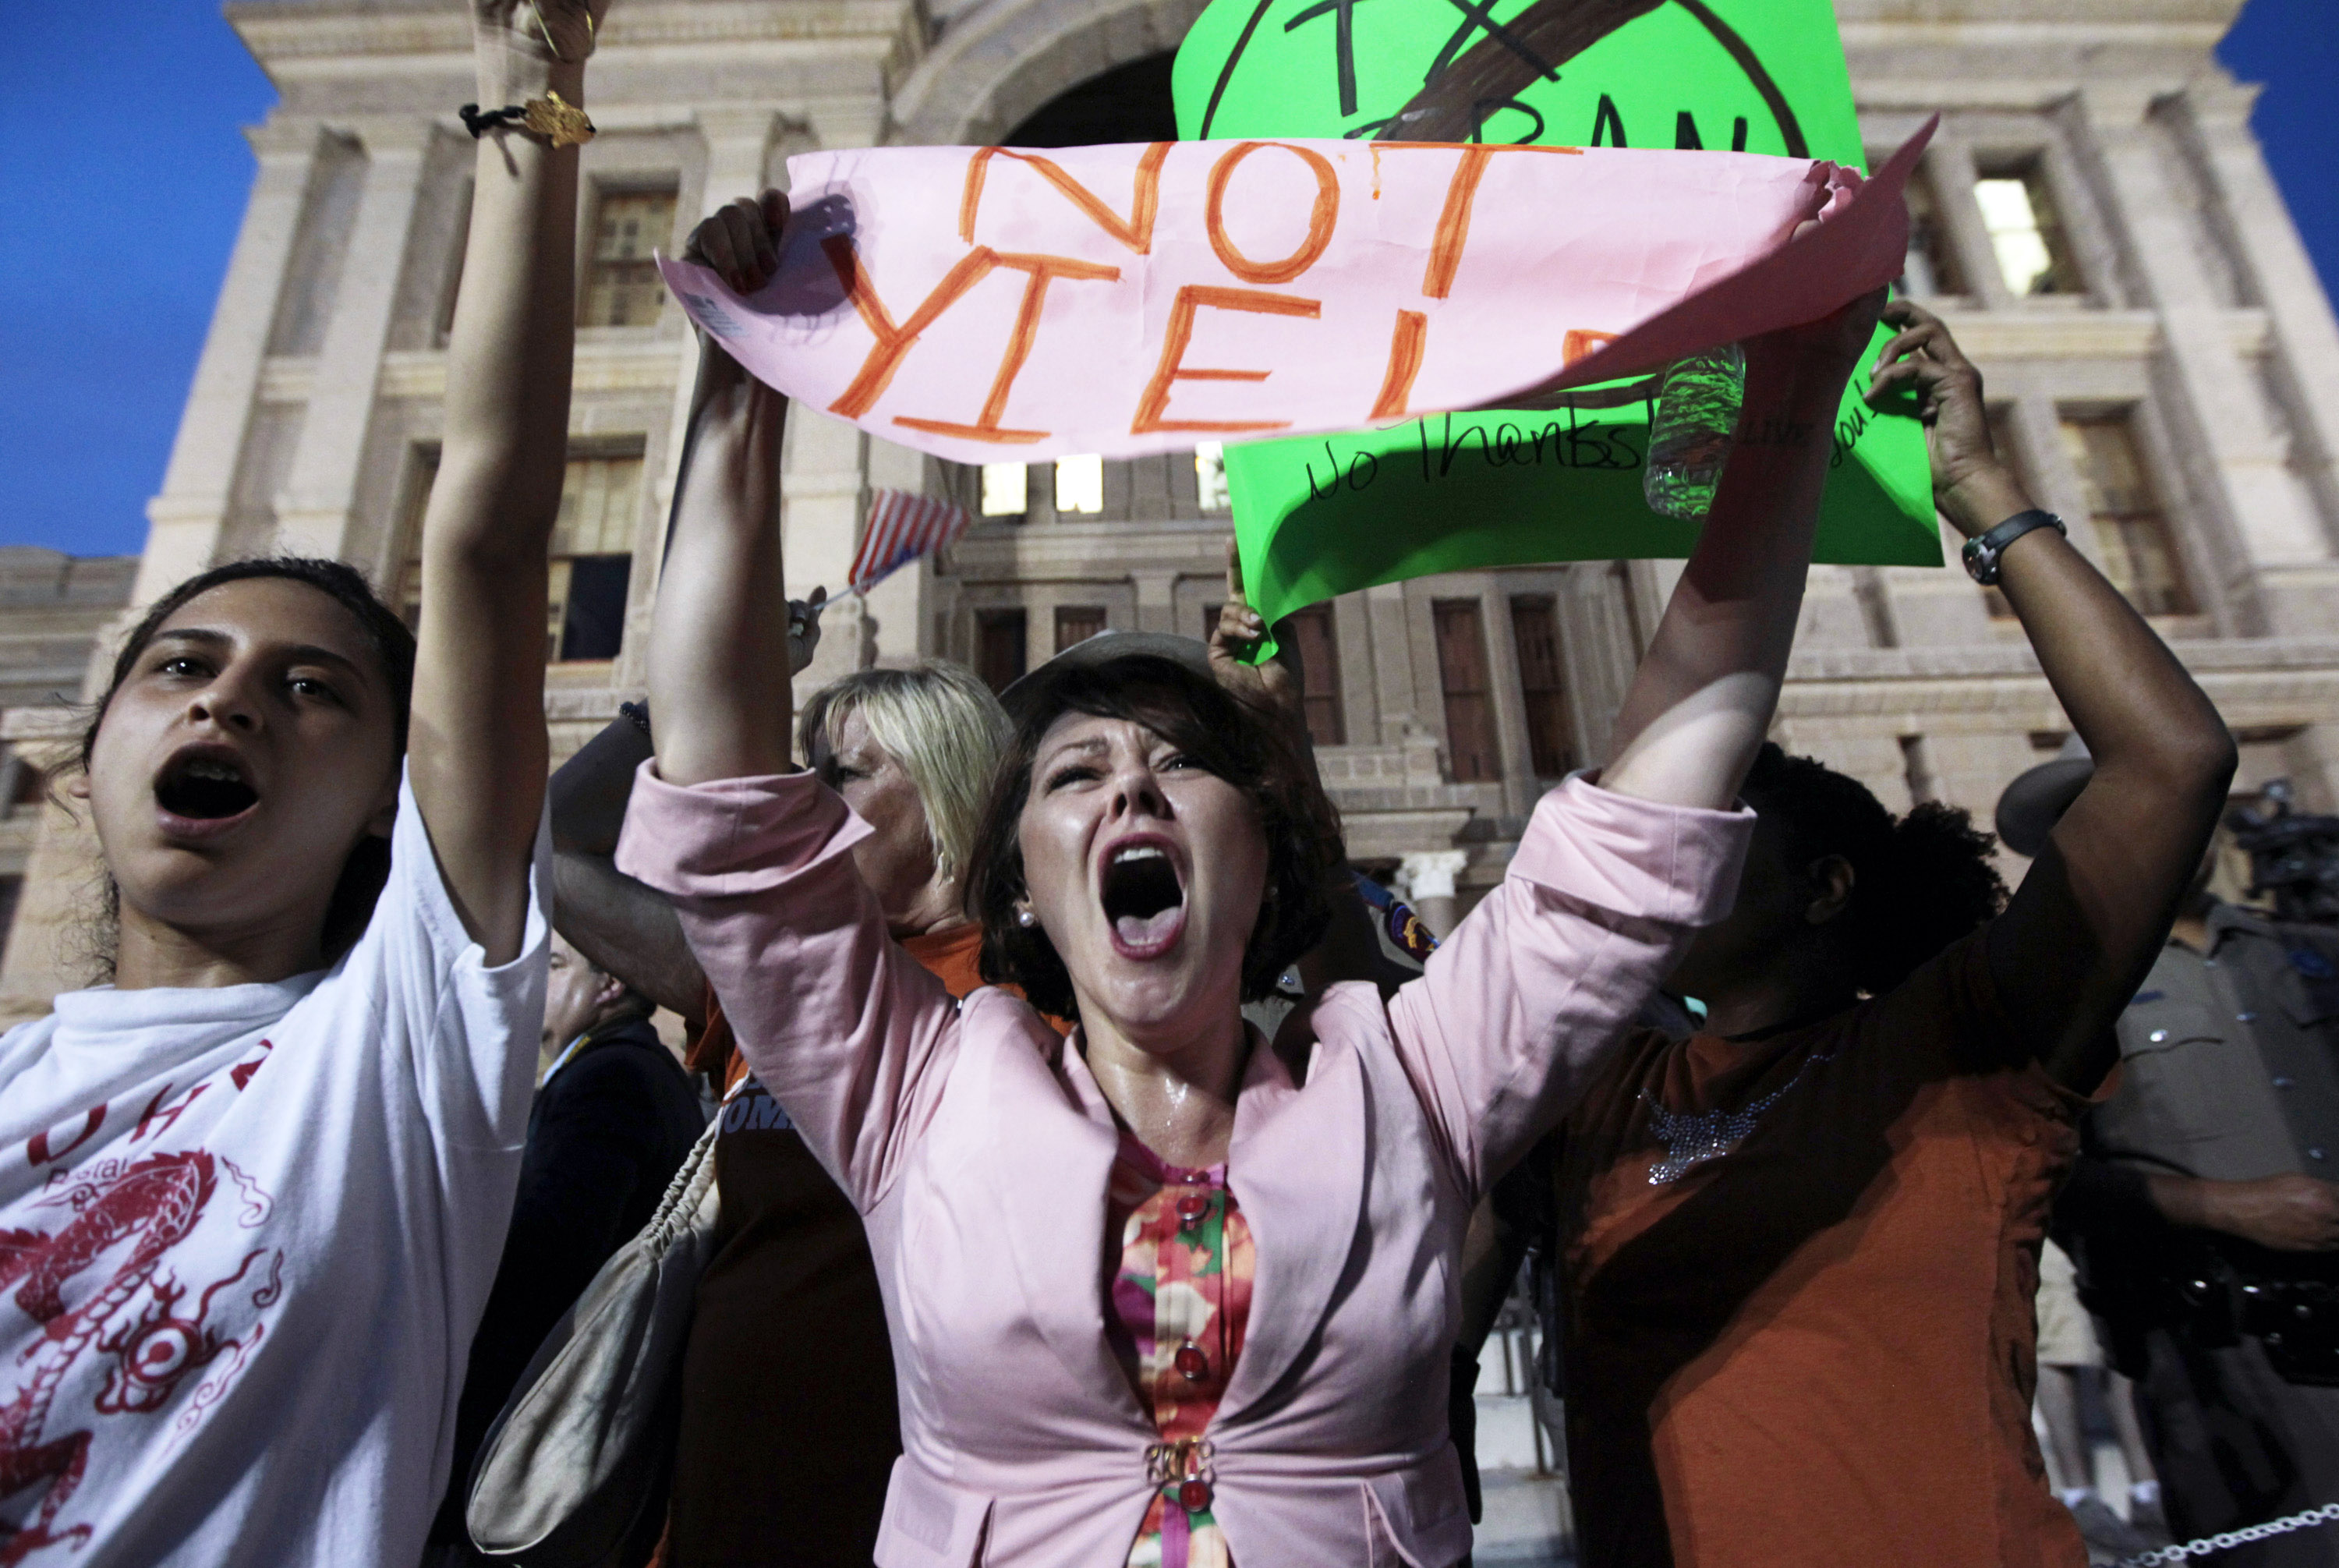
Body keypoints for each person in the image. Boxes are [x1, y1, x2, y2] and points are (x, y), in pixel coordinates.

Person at [613, 182, 1882, 1566]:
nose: (1132, 787)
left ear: (1262, 844)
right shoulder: (909, 1093)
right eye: (1075, 774)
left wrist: (1798, 388)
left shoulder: (1418, 1086)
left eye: (1177, 763)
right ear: (1022, 882)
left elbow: (1652, 807)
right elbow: (726, 795)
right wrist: (745, 383)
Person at [1482, 299, 2236, 1568]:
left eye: (1720, 820)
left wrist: (1979, 489)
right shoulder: (1600, 1085)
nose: (1673, 841)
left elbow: (2170, 760)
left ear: (1825, 886)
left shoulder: (1962, 1054)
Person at [0, 0, 596, 1559]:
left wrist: (527, 97)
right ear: (87, 761)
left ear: (400, 787)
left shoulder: (397, 1053)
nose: (238, 699)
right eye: (181, 668)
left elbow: (483, 526)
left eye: (312, 688)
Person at [548, 639, 1021, 1563]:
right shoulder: (772, 978)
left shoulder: (1035, 996)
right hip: (710, 1499)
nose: (807, 799)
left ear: (949, 786)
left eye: (842, 774)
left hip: (902, 1509)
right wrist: (684, 706)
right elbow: (556, 847)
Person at [2029, 772, 2339, 1566]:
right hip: (2224, 1352)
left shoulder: (2307, 952)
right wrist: (2219, 1206)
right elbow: (2037, 1172)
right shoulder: (2067, 991)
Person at [426, 934, 704, 1560]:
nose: (536, 981)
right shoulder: (628, 1069)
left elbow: (547, 1259)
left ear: (609, 985)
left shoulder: (609, 1081)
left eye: (554, 965)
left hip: (546, 1447)